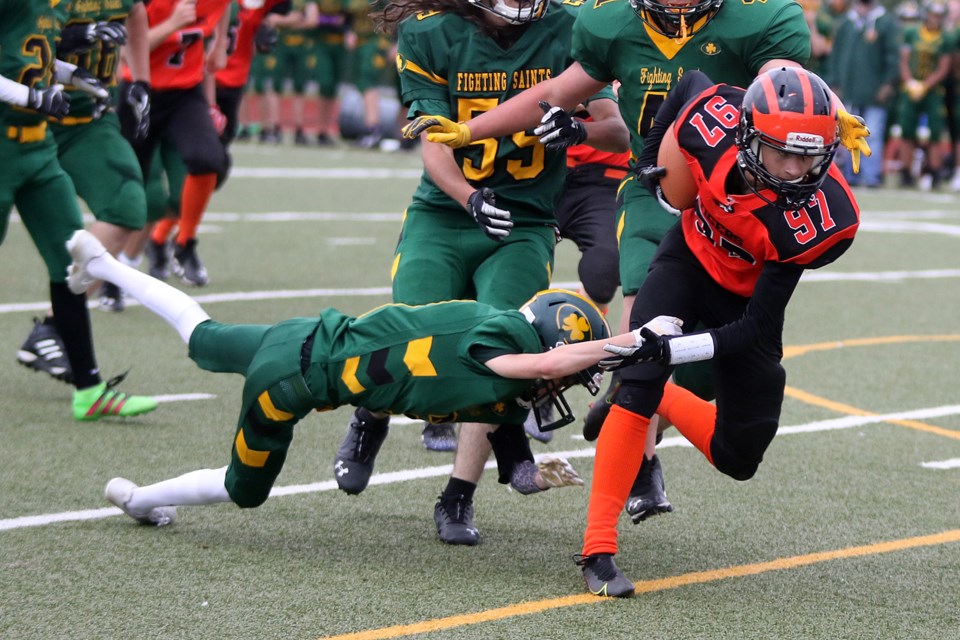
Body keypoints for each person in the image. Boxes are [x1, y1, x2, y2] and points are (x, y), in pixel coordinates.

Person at [398, 0, 870, 527]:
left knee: (704, 378)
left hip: (743, 203)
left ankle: (640, 402)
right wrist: (471, 130)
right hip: (661, 187)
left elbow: (782, 83)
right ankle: (630, 475)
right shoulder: (612, 21)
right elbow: (553, 95)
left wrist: (824, 110)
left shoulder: (762, 18)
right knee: (642, 323)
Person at [61, 230, 672, 526]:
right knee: (244, 488)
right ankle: (140, 499)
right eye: (568, 371)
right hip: (291, 384)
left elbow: (510, 422)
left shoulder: (504, 353)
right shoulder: (504, 344)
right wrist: (623, 344)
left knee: (199, 332)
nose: (557, 388)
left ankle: (105, 262)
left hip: (307, 332)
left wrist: (530, 477)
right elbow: (538, 367)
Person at [331, 0, 630, 547]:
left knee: (498, 345)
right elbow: (434, 141)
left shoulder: (568, 29)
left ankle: (458, 493)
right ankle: (370, 415)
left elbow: (616, 131)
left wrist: (578, 130)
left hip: (525, 221)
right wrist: (468, 197)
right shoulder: (429, 32)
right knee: (407, 332)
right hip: (445, 212)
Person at [574, 67, 861, 597]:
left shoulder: (824, 217)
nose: (798, 170)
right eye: (784, 153)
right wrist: (651, 155)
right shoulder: (715, 124)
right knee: (637, 382)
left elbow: (755, 329)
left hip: (746, 306)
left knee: (739, 456)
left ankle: (663, 396)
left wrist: (675, 348)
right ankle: (598, 550)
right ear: (747, 134)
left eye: (810, 156)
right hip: (686, 259)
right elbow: (689, 83)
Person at [0, 0, 156, 421]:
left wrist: (75, 77)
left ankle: (89, 390)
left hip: (37, 150)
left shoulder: (50, 5)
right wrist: (31, 96)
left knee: (74, 263)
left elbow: (34, 59)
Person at [121, 0, 232, 288]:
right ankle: (119, 272)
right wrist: (172, 24)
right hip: (140, 93)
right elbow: (124, 52)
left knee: (210, 159)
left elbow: (224, 5)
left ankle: (185, 243)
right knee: (135, 192)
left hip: (185, 93)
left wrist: (219, 43)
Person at [827, 0, 900, 188]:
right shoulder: (846, 22)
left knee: (872, 134)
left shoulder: (885, 22)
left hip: (874, 89)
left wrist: (888, 83)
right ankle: (851, 175)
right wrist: (834, 81)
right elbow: (835, 55)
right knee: (849, 134)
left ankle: (871, 177)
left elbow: (893, 55)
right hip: (848, 88)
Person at [895, 0, 952, 191]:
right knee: (907, 132)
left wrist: (925, 86)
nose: (935, 19)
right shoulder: (912, 32)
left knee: (935, 134)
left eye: (939, 15)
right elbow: (904, 60)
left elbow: (944, 67)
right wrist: (910, 82)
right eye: (932, 14)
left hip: (933, 91)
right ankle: (905, 173)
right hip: (911, 88)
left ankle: (935, 173)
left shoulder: (946, 37)